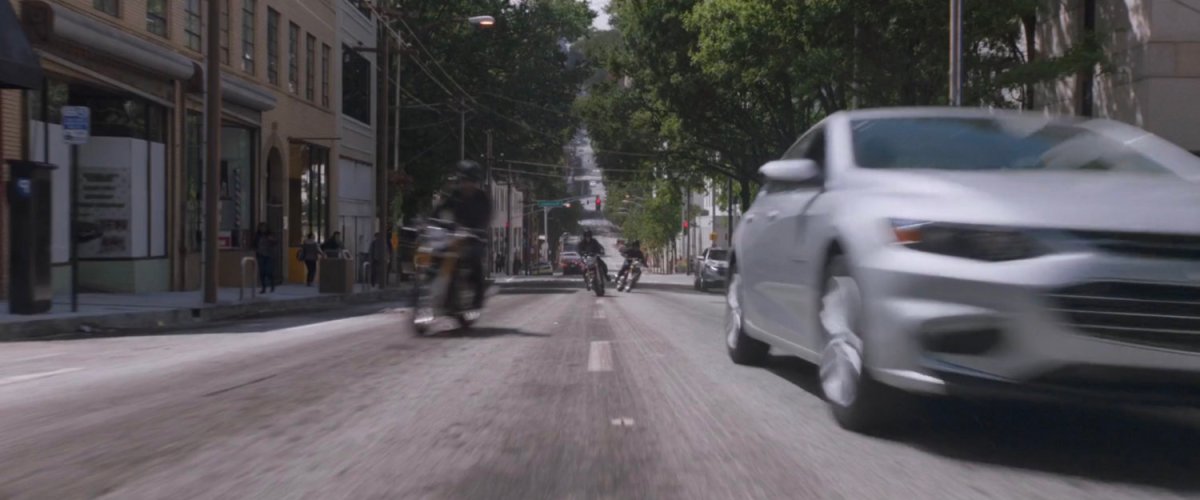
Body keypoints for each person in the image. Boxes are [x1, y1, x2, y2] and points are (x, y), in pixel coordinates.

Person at [431, 160, 492, 310]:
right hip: (453, 235)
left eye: (470, 180)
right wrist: (431, 222)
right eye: (464, 180)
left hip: (474, 237)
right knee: (437, 254)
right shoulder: (454, 195)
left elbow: (485, 219)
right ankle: (440, 288)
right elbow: (439, 211)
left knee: (474, 258)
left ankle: (477, 297)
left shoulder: (482, 198)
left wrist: (477, 230)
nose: (467, 184)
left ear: (477, 182)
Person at [254, 223, 278, 293]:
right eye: (261, 228)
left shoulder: (270, 235)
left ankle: (272, 284)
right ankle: (263, 288)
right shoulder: (258, 236)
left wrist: (271, 240)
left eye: (264, 228)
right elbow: (254, 244)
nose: (263, 229)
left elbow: (275, 242)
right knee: (262, 272)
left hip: (269, 255)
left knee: (268, 271)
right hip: (261, 255)